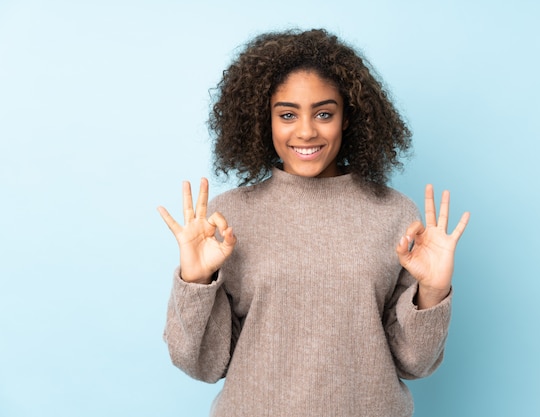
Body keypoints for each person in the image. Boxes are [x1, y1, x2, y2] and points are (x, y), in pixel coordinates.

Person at [157, 28, 470, 417]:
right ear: (263, 120)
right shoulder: (228, 217)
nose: (306, 131)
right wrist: (195, 282)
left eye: (324, 113)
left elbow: (415, 363)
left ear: (347, 119)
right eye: (287, 114)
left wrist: (433, 292)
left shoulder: (394, 213)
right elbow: (202, 364)